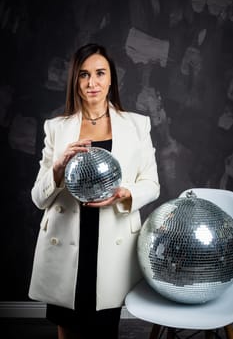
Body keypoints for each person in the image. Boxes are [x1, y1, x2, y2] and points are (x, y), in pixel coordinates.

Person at [28, 43, 160, 339]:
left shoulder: (137, 125)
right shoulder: (57, 128)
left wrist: (125, 194)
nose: (92, 83)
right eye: (84, 75)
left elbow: (152, 184)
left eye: (100, 73)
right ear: (75, 80)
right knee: (67, 329)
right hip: (66, 241)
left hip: (111, 240)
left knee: (105, 329)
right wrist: (58, 167)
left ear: (111, 78)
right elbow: (38, 198)